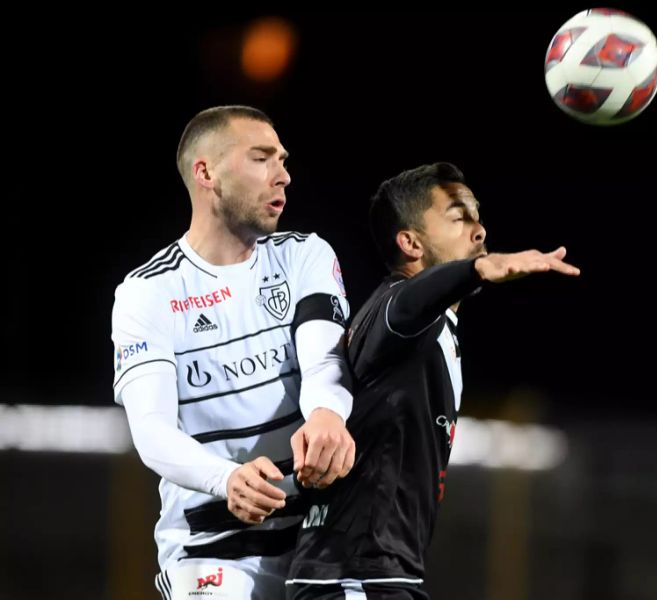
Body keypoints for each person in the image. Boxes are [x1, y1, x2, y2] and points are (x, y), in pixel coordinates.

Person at [286, 162, 580, 599]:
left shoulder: (435, 326)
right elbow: (406, 306)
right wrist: (477, 270)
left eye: (477, 214)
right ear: (410, 241)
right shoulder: (397, 312)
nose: (479, 230)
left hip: (379, 574)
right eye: (459, 216)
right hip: (354, 575)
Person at [110, 105, 356, 600]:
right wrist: (227, 480)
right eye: (262, 158)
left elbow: (323, 359)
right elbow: (152, 431)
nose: (283, 175)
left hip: (318, 536)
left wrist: (328, 414)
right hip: (211, 544)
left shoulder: (304, 254)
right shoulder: (148, 291)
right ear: (206, 173)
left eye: (283, 159)